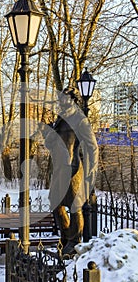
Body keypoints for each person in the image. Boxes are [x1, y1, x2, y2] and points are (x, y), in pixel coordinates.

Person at [44, 88, 99, 255]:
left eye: (64, 98)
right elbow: (49, 144)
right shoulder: (60, 119)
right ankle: (66, 237)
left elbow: (92, 147)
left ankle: (75, 241)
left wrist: (91, 171)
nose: (60, 100)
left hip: (73, 168)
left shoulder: (80, 119)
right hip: (59, 168)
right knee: (55, 203)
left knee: (75, 206)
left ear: (72, 99)